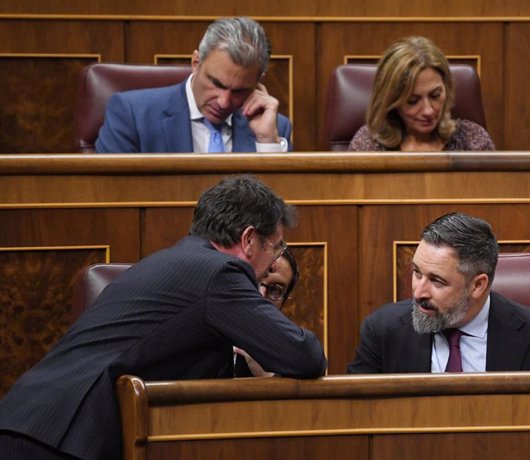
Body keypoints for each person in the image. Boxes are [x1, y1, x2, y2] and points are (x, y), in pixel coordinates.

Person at [0, 175, 326, 460]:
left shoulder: (173, 261)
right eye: (275, 248)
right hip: (60, 436)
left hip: (31, 420)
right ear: (249, 240)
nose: (271, 264)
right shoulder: (220, 273)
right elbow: (306, 356)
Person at [347, 212, 530, 374]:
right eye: (417, 273)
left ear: (478, 285)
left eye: (437, 281)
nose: (419, 292)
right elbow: (356, 419)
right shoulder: (382, 330)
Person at [95, 17, 292, 153]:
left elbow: (279, 209)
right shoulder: (133, 115)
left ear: (258, 82)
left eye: (239, 91)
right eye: (216, 83)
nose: (224, 102)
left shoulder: (274, 129)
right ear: (196, 63)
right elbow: (112, 199)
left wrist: (267, 143)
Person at [347, 36, 495, 152]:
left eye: (435, 95)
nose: (428, 111)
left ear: (446, 88)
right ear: (392, 101)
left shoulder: (473, 140)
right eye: (412, 100)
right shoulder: (368, 144)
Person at [235, 246, 300, 377]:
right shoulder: (207, 324)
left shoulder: (293, 352)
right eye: (255, 280)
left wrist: (268, 377)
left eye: (275, 289)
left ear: (284, 302)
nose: (261, 294)